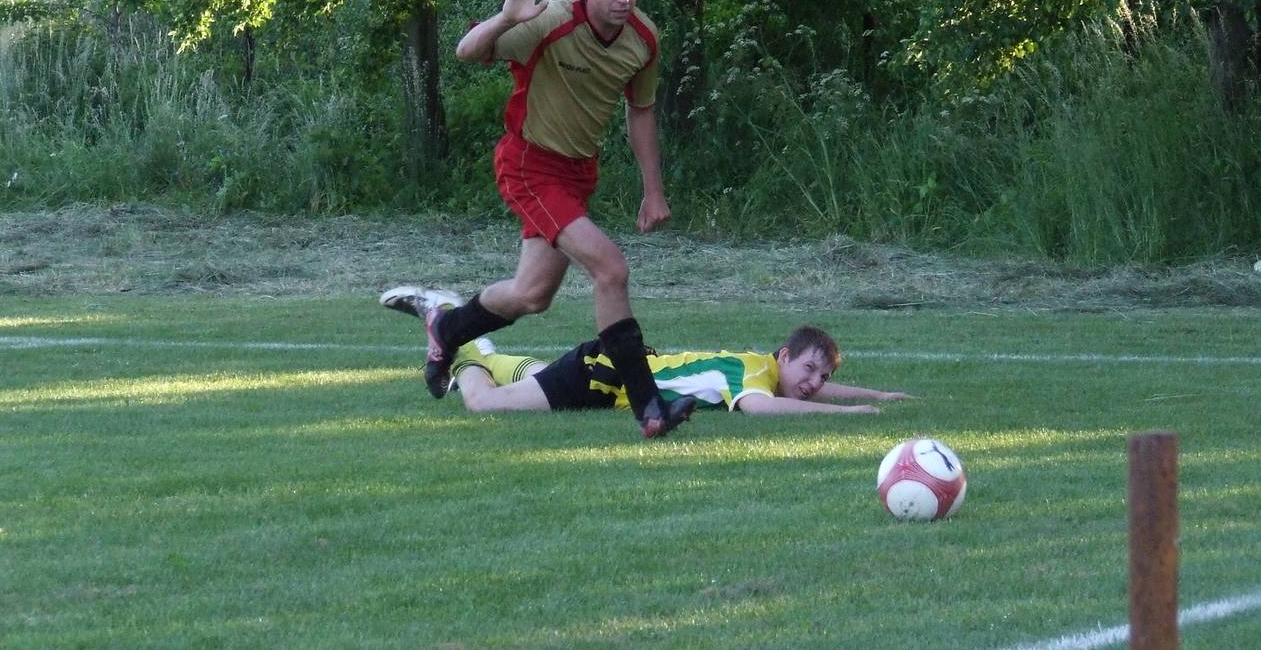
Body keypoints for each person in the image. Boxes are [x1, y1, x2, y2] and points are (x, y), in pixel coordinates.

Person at [383, 0, 690, 439]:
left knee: (531, 295)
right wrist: (507, 18)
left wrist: (653, 190)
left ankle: (447, 327)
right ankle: (650, 406)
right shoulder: (550, 20)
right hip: (530, 165)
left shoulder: (643, 38)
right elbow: (466, 51)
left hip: (577, 173)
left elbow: (642, 111)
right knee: (611, 268)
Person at [381, 286, 913, 417]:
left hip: (607, 371)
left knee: (535, 376)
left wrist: (877, 394)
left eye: (823, 377)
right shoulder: (751, 375)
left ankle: (476, 343)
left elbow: (799, 390)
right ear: (783, 355)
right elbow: (761, 407)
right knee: (483, 403)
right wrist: (849, 413)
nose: (815, 384)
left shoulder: (762, 369)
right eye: (810, 369)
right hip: (602, 377)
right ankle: (455, 333)